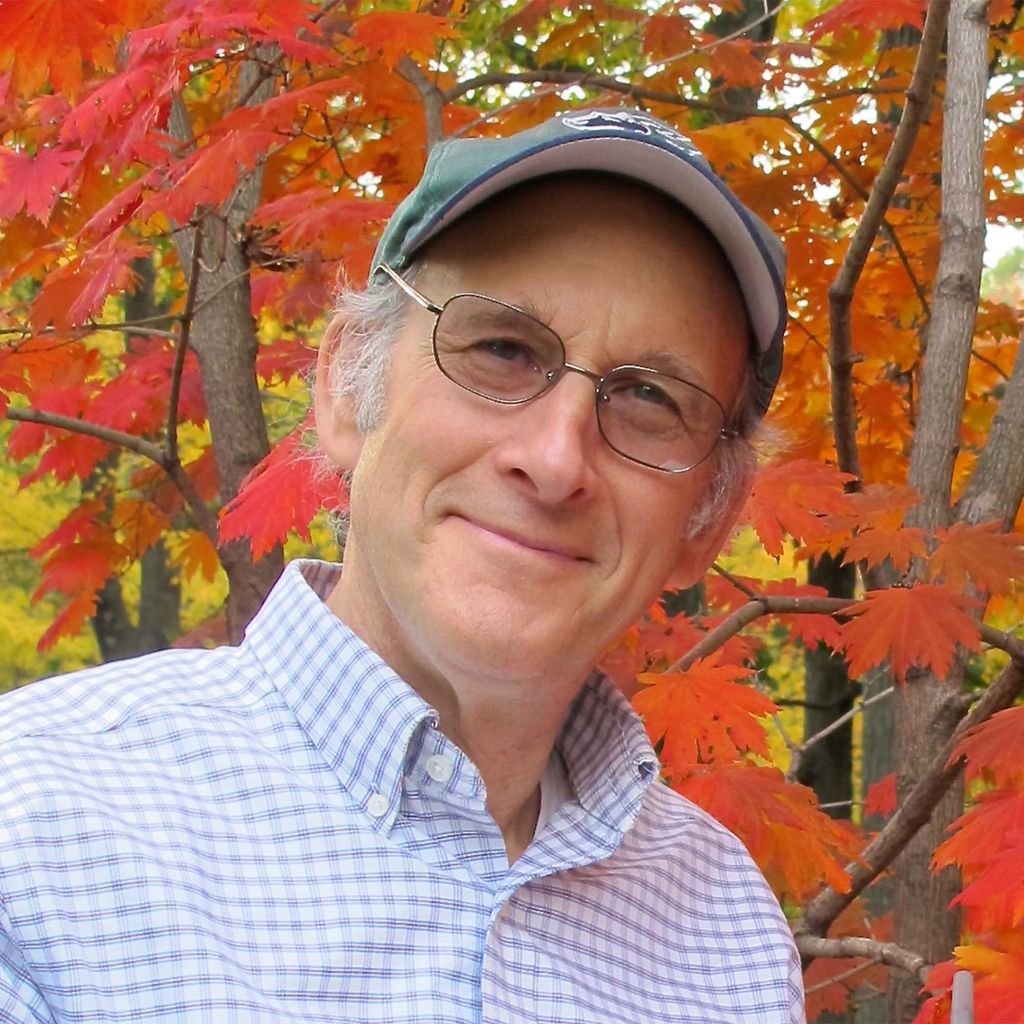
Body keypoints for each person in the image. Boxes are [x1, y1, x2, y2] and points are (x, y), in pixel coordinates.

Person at [0, 108, 804, 1023]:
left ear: (709, 520)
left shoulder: (726, 927)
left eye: (652, 399)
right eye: (502, 348)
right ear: (349, 386)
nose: (554, 460)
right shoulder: (37, 829)